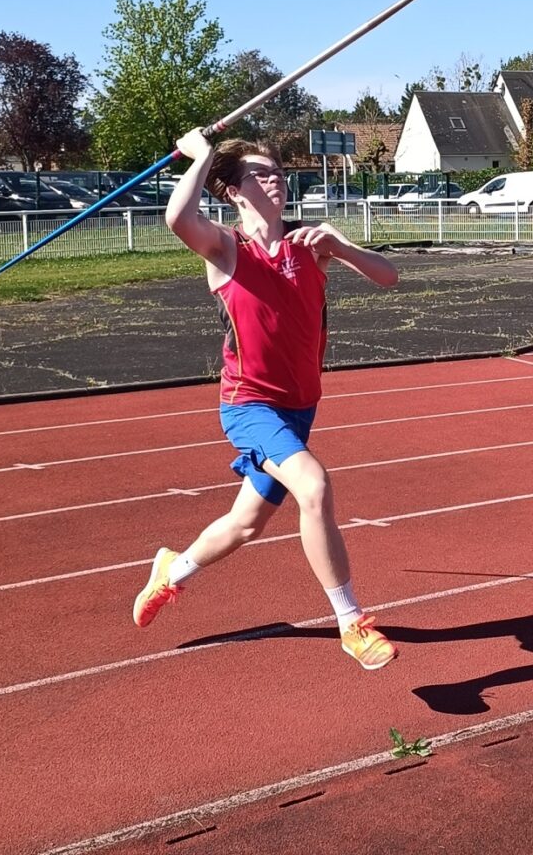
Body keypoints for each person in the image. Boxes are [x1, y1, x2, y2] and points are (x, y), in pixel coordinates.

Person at [132, 128, 399, 669]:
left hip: (300, 406)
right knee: (313, 486)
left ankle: (171, 572)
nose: (274, 179)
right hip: (249, 403)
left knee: (246, 523)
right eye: (259, 174)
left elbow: (388, 277)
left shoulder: (312, 241)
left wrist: (341, 247)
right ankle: (351, 622)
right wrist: (202, 156)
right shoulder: (226, 248)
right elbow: (178, 218)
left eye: (277, 172)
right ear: (234, 191)